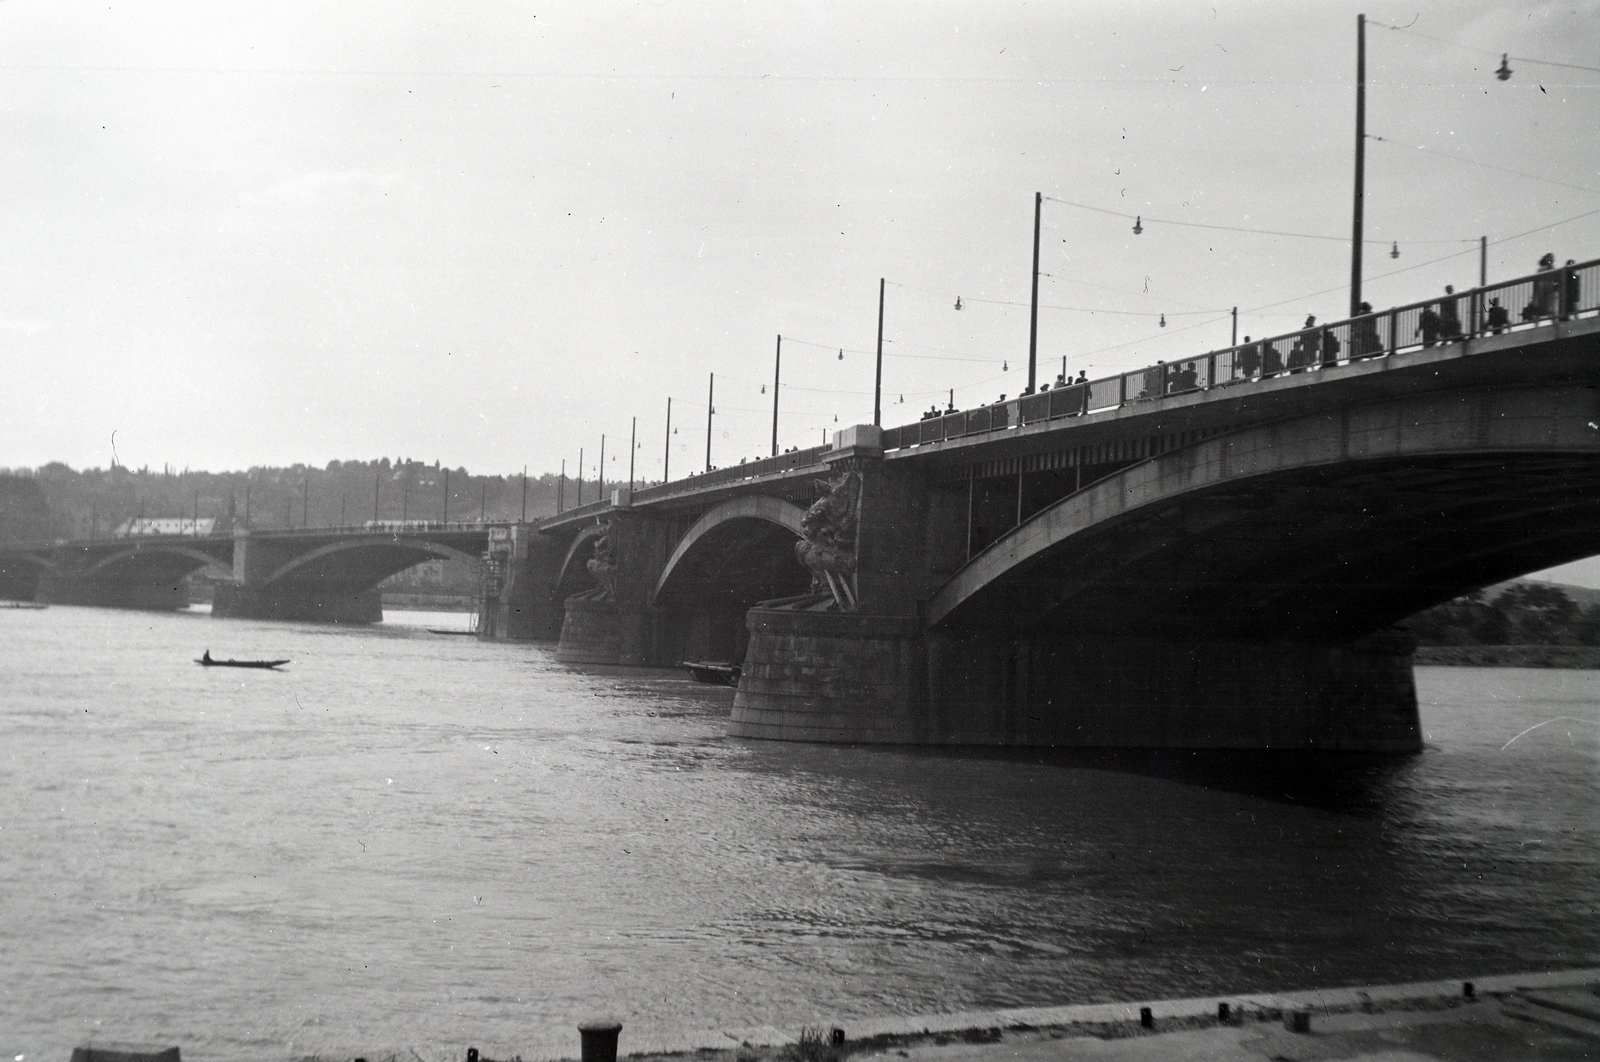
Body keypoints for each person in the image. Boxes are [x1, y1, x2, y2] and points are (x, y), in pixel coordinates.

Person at [1526, 253, 1557, 319]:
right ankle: (1537, 326)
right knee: (1541, 310)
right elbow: (1536, 283)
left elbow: (1556, 281)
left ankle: (1556, 325)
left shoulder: (1554, 270)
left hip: (1549, 293)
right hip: (1542, 293)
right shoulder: (1541, 270)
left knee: (1550, 310)